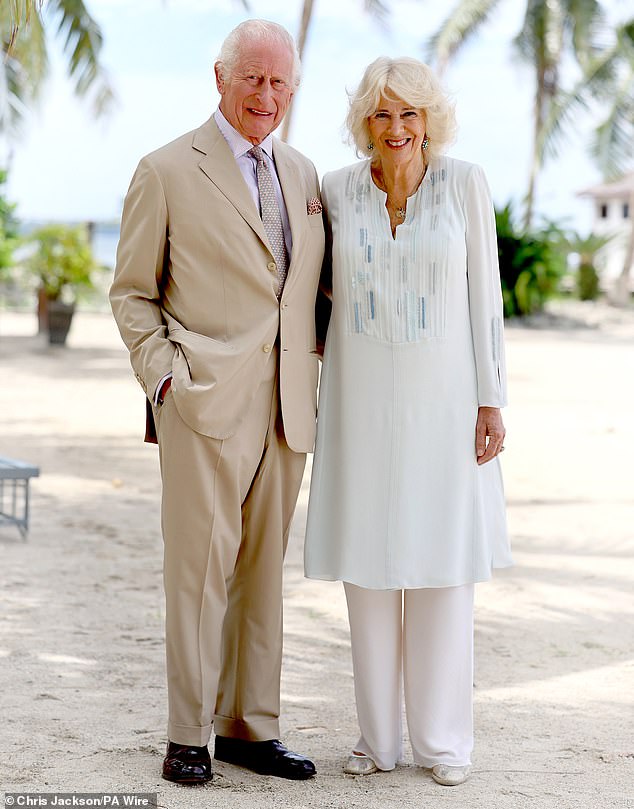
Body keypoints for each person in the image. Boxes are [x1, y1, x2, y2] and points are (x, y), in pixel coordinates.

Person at [110, 19, 325, 785]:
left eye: (279, 82)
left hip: (286, 409)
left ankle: (247, 726)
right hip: (201, 403)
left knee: (263, 572)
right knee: (199, 572)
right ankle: (187, 734)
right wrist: (164, 378)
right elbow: (133, 293)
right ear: (220, 78)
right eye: (253, 79)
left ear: (293, 88)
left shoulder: (304, 176)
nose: (266, 95)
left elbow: (309, 293)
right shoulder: (166, 169)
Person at [304, 56, 512, 787]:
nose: (397, 128)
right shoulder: (333, 191)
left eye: (411, 114)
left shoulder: (465, 184)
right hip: (358, 404)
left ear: (431, 121)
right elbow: (307, 291)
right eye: (384, 113)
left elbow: (485, 296)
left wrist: (493, 399)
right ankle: (377, 740)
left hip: (446, 404)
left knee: (442, 571)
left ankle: (444, 742)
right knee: (365, 571)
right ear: (366, 121)